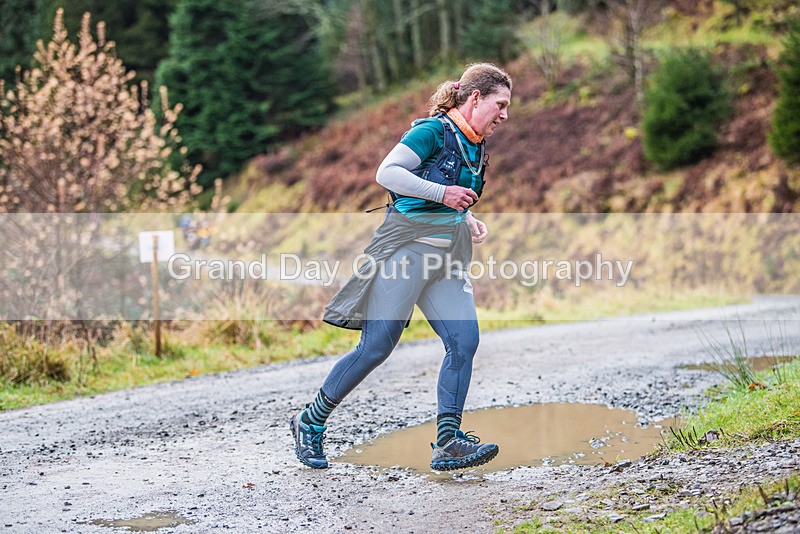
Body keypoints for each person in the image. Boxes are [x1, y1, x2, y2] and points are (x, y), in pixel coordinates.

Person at [291, 63, 512, 471]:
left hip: (447, 259)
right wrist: (444, 194)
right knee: (377, 347)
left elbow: (445, 199)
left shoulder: (476, 144)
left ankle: (448, 442)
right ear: (475, 97)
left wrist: (466, 216)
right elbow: (388, 173)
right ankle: (310, 421)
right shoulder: (432, 131)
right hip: (404, 254)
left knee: (464, 342)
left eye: (507, 108)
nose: (504, 114)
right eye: (499, 104)